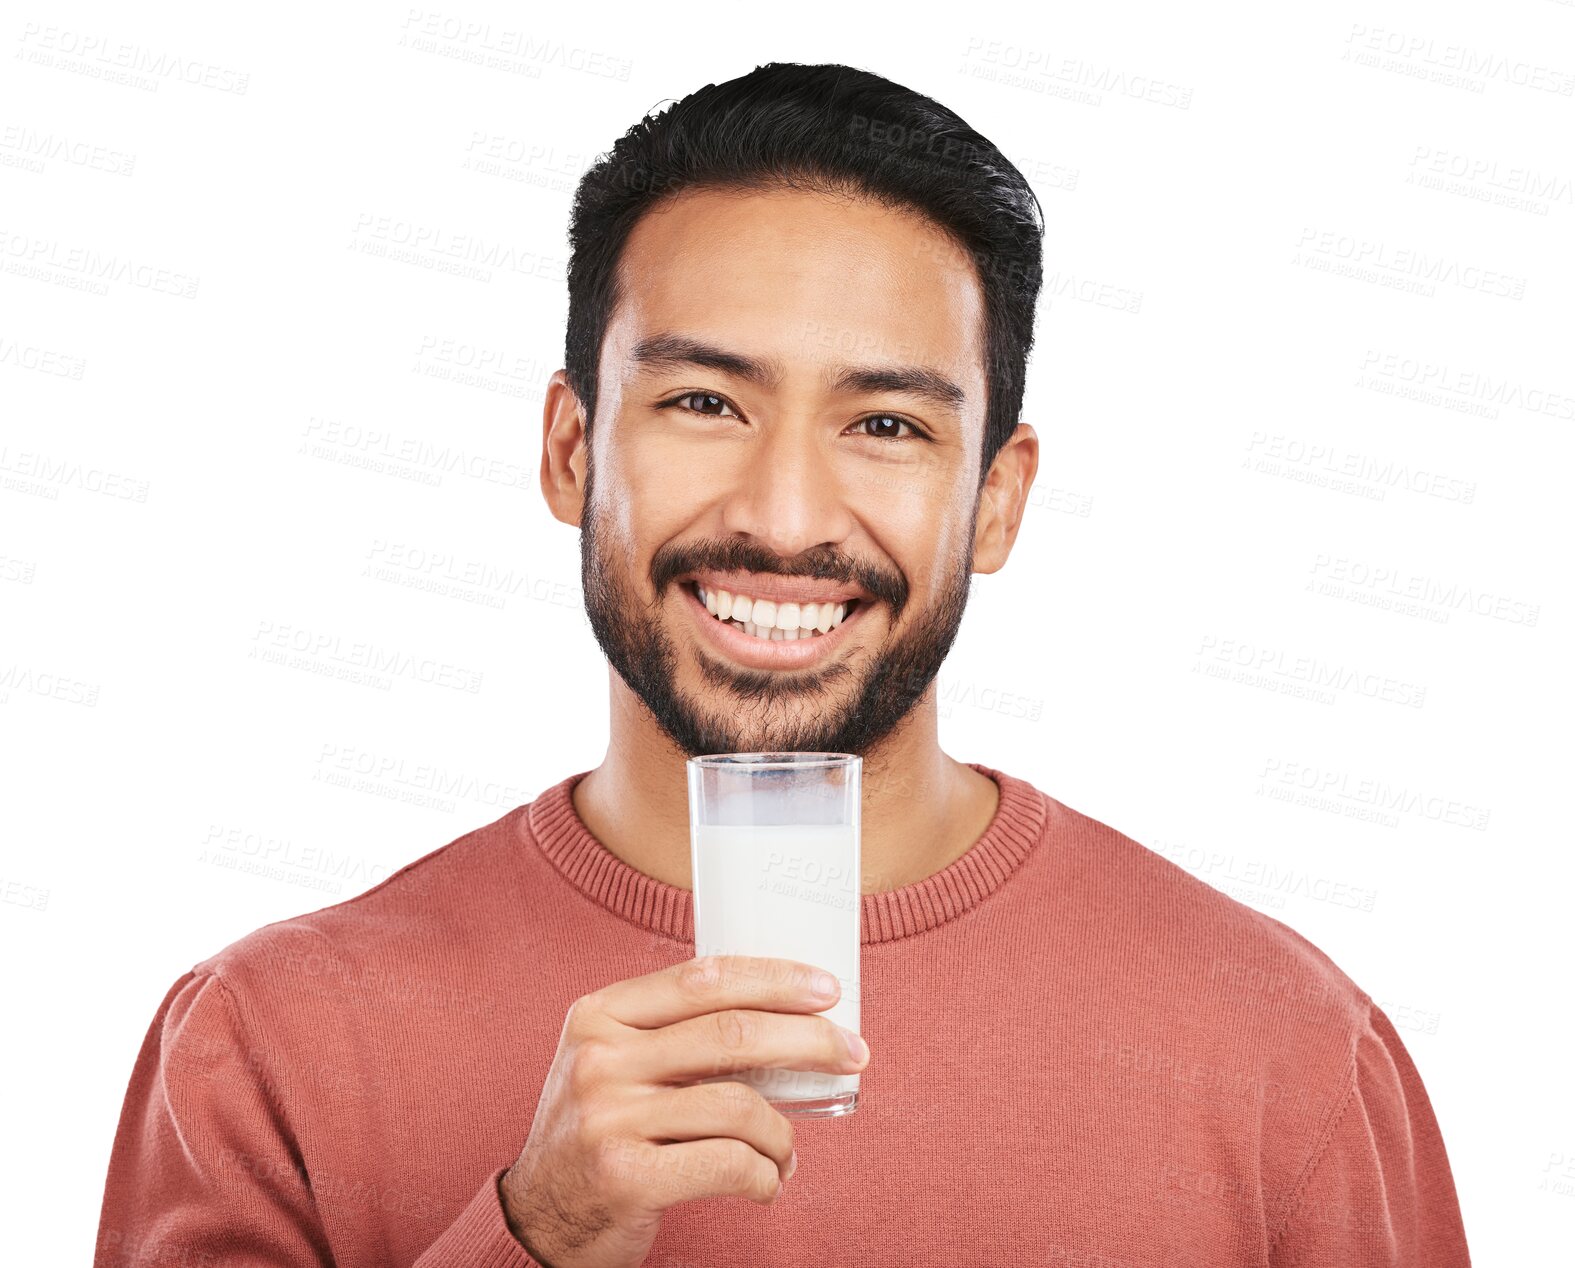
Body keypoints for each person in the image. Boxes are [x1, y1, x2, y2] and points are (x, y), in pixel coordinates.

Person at [96, 62, 1471, 1267]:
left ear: (997, 499)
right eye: (704, 402)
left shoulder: (1293, 1055)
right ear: (571, 449)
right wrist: (537, 1238)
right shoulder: (264, 1048)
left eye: (886, 425)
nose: (788, 516)